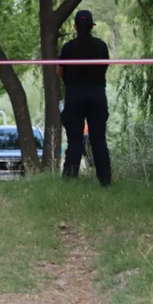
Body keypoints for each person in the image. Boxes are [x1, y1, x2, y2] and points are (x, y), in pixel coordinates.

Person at [58, 10, 112, 187]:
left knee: (74, 140)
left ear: (74, 26)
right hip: (96, 95)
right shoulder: (101, 46)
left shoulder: (67, 48)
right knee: (98, 140)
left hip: (74, 95)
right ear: (91, 26)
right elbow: (105, 68)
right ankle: (105, 181)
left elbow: (60, 72)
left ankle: (70, 180)